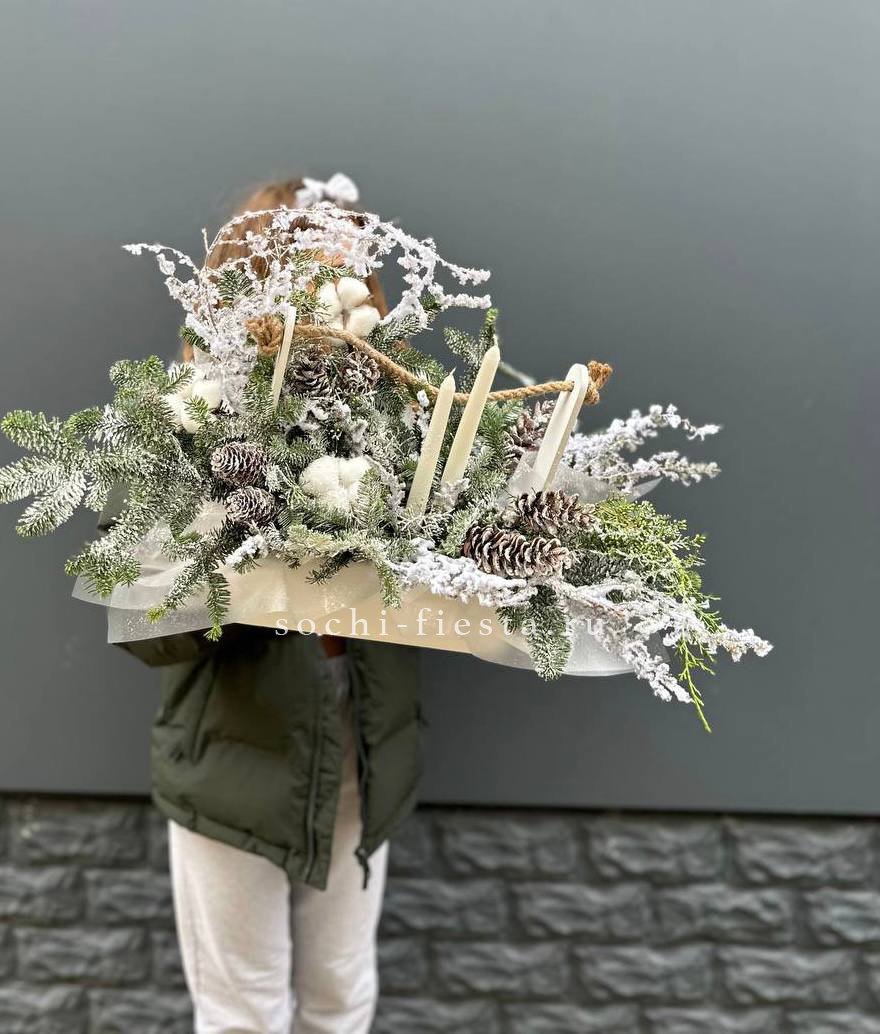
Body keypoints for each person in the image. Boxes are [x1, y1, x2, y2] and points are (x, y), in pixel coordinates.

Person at [116, 177, 423, 1034]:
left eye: (355, 275)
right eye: (316, 271)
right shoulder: (189, 420)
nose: (340, 295)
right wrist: (245, 563)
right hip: (233, 760)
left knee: (340, 1000)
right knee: (243, 1014)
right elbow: (144, 619)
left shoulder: (400, 419)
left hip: (365, 746)